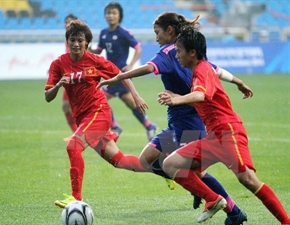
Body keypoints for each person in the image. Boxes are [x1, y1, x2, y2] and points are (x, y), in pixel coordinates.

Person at [98, 12, 252, 224]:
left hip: (190, 122)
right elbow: (216, 70)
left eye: (157, 32)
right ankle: (193, 187)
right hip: (177, 123)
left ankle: (233, 211)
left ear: (169, 30)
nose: (156, 37)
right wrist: (239, 82)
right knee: (147, 159)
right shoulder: (187, 51)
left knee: (194, 172)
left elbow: (147, 68)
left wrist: (119, 77)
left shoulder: (168, 53)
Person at [158, 26, 290, 224]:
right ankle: (213, 199)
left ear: (192, 52)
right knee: (171, 164)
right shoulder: (202, 69)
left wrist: (177, 100)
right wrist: (239, 82)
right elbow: (205, 96)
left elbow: (201, 95)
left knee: (248, 180)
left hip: (228, 133)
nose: (176, 56)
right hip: (214, 138)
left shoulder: (202, 70)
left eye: (179, 51)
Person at [44, 20, 150, 208]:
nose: (75, 44)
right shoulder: (59, 64)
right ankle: (165, 169)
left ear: (87, 43)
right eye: (72, 39)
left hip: (99, 112)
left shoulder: (96, 61)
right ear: (67, 41)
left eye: (80, 40)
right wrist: (60, 84)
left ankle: (76, 198)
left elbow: (121, 75)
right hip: (83, 118)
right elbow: (47, 96)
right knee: (120, 161)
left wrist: (136, 95)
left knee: (73, 147)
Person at [89, 2, 157, 141]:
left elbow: (138, 48)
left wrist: (131, 65)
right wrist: (89, 49)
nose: (111, 16)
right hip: (110, 74)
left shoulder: (123, 33)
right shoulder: (104, 33)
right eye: (108, 13)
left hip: (121, 75)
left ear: (119, 16)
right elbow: (99, 50)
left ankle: (116, 127)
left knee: (100, 99)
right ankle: (149, 126)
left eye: (114, 13)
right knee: (126, 103)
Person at [62, 14, 78, 141]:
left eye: (70, 22)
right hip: (69, 76)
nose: (68, 24)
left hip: (77, 77)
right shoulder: (68, 39)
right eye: (66, 22)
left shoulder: (79, 38)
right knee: (66, 106)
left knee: (69, 106)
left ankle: (78, 135)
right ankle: (76, 134)